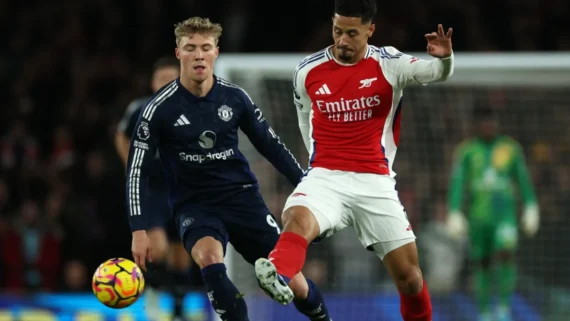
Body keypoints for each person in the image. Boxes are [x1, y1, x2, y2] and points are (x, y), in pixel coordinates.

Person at [253, 1, 454, 321]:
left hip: (374, 180)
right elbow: (306, 119)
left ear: (369, 30)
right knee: (297, 217)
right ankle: (277, 272)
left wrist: (443, 60)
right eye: (337, 31)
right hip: (326, 175)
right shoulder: (308, 70)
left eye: (351, 33)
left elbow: (434, 73)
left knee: (410, 278)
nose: (342, 40)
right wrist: (315, 168)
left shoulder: (388, 62)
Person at [126, 17, 332, 321]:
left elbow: (272, 146)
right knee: (210, 259)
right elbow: (136, 171)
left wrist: (307, 187)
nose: (198, 55)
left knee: (295, 284)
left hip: (242, 199)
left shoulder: (235, 98)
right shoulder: (158, 110)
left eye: (205, 48)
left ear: (216, 53)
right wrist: (138, 229)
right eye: (190, 48)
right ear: (178, 52)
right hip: (194, 204)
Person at [446, 106, 539, 321]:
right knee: (483, 262)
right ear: (477, 124)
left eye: (492, 121)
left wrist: (531, 206)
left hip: (504, 214)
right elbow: (458, 182)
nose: (489, 125)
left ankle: (504, 308)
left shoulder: (510, 149)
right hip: (479, 217)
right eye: (484, 121)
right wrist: (454, 211)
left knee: (506, 253)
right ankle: (485, 312)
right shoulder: (467, 151)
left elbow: (522, 179)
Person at [115, 57, 184, 321]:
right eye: (161, 78)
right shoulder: (140, 108)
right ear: (153, 83)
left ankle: (178, 308)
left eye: (171, 78)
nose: (166, 83)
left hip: (180, 187)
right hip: (150, 188)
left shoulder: (191, 108)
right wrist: (130, 165)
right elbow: (120, 135)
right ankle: (153, 294)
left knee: (182, 255)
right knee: (158, 248)